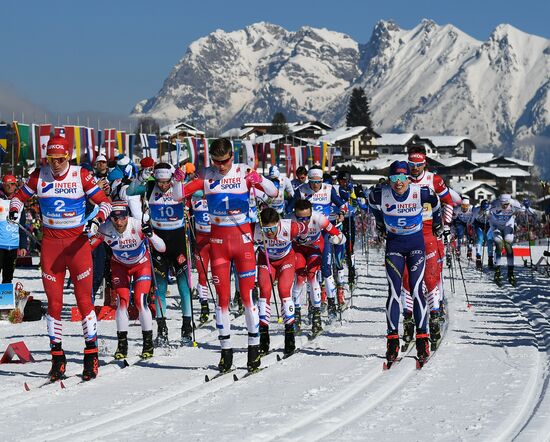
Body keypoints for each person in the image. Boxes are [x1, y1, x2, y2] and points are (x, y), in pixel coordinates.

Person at [9, 136, 111, 382]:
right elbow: (18, 198)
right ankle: (58, 358)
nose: (55, 165)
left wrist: (96, 222)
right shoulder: (39, 175)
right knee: (53, 305)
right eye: (52, 159)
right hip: (51, 247)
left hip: (77, 247)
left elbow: (105, 203)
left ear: (68, 157)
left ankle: (91, 355)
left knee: (84, 302)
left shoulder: (81, 175)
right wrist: (14, 210)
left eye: (60, 159)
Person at [173, 138, 278, 373]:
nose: (221, 166)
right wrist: (177, 181)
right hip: (219, 244)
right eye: (216, 161)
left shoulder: (243, 171)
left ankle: (253, 349)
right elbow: (177, 197)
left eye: (225, 161)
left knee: (247, 297)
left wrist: (259, 179)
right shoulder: (206, 175)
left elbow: (274, 192)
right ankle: (226, 352)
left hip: (243, 244)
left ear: (233, 156)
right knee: (221, 301)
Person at [368, 161, 442, 366]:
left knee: (417, 289)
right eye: (394, 178)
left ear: (409, 178)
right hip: (394, 247)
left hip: (416, 246)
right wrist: (381, 225)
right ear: (389, 179)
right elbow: (373, 206)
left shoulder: (421, 192)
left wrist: (437, 223)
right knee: (393, 291)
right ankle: (392, 341)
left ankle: (422, 339)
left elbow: (436, 203)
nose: (398, 183)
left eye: (402, 178)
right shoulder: (379, 194)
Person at [127, 162, 193, 346]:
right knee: (160, 289)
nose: (163, 186)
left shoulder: (178, 185)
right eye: (160, 182)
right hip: (158, 241)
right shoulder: (149, 187)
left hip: (178, 241)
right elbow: (130, 192)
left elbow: (200, 192)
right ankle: (162, 329)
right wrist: (141, 177)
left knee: (184, 287)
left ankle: (187, 327)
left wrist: (184, 180)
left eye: (166, 182)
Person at [91, 201, 165, 359]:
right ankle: (122, 345)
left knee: (140, 301)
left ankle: (147, 343)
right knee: (122, 302)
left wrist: (150, 234)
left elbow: (162, 247)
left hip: (141, 265)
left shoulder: (137, 225)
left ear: (128, 216)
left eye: (122, 218)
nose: (119, 222)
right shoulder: (105, 229)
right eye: (115, 219)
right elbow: (89, 246)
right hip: (119, 266)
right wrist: (89, 234)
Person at [402, 147, 457, 349]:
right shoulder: (402, 180)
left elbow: (448, 202)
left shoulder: (434, 180)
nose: (415, 168)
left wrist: (446, 226)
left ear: (424, 163)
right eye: (412, 164)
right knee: (407, 278)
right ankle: (408, 318)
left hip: (429, 233)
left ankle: (435, 314)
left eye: (418, 165)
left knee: (432, 276)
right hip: (408, 233)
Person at [294, 167, 348, 317]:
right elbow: (289, 207)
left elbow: (342, 204)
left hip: (324, 230)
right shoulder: (301, 190)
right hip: (306, 232)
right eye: (313, 182)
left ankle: (332, 304)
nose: (316, 185)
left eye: (318, 182)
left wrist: (342, 213)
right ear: (308, 181)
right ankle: (312, 304)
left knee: (325, 269)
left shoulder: (329, 189)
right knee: (307, 272)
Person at [254, 207, 307, 356]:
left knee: (284, 291)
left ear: (278, 223)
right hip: (266, 260)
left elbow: (305, 227)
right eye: (266, 229)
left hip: (286, 259)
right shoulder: (256, 229)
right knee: (264, 292)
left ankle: (289, 337)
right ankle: (264, 337)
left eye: (272, 228)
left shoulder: (289, 227)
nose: (269, 232)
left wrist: (303, 238)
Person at [291, 199, 346, 335]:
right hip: (299, 249)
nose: (303, 221)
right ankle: (296, 315)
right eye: (300, 218)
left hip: (315, 248)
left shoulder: (319, 219)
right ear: (295, 215)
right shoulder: (289, 219)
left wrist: (336, 239)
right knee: (299, 278)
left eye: (307, 218)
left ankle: (316, 316)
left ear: (311, 214)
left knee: (312, 276)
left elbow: (340, 236)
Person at [488, 194, 524, 285]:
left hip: (508, 225)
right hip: (496, 226)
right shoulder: (494, 204)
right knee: (499, 244)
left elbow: (523, 210)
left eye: (506, 204)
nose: (505, 206)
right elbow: (483, 211)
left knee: (508, 244)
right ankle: (497, 271)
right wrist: (484, 212)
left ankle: (511, 272)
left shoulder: (514, 204)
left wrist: (523, 210)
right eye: (503, 204)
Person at [0, 175, 28, 283]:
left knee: (8, 277)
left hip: (12, 245)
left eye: (12, 184)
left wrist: (23, 246)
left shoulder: (19, 203)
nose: (10, 187)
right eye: (7, 184)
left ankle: (5, 300)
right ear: (3, 185)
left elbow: (22, 227)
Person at [470, 200, 494, 270]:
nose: (484, 210)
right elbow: (472, 220)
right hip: (479, 225)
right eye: (483, 209)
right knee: (480, 238)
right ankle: (478, 258)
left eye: (485, 209)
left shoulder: (491, 210)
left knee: (489, 239)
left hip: (488, 225)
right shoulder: (476, 210)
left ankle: (490, 259)